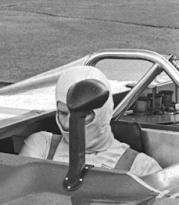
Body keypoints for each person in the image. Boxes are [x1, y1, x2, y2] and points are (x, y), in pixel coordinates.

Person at [20, 66, 162, 177]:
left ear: (102, 114)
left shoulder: (141, 167)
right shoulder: (41, 146)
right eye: (63, 113)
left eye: (81, 116)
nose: (69, 124)